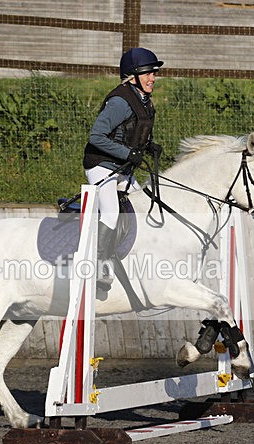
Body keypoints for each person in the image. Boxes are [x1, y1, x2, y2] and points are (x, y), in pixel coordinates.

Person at [83, 47, 164, 290]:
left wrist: (148, 146)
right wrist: (128, 153)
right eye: (149, 73)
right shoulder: (120, 101)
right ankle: (98, 264)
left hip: (122, 168)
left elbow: (133, 131)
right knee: (111, 213)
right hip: (101, 166)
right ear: (134, 76)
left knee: (141, 207)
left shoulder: (143, 100)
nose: (153, 78)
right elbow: (96, 136)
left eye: (154, 73)